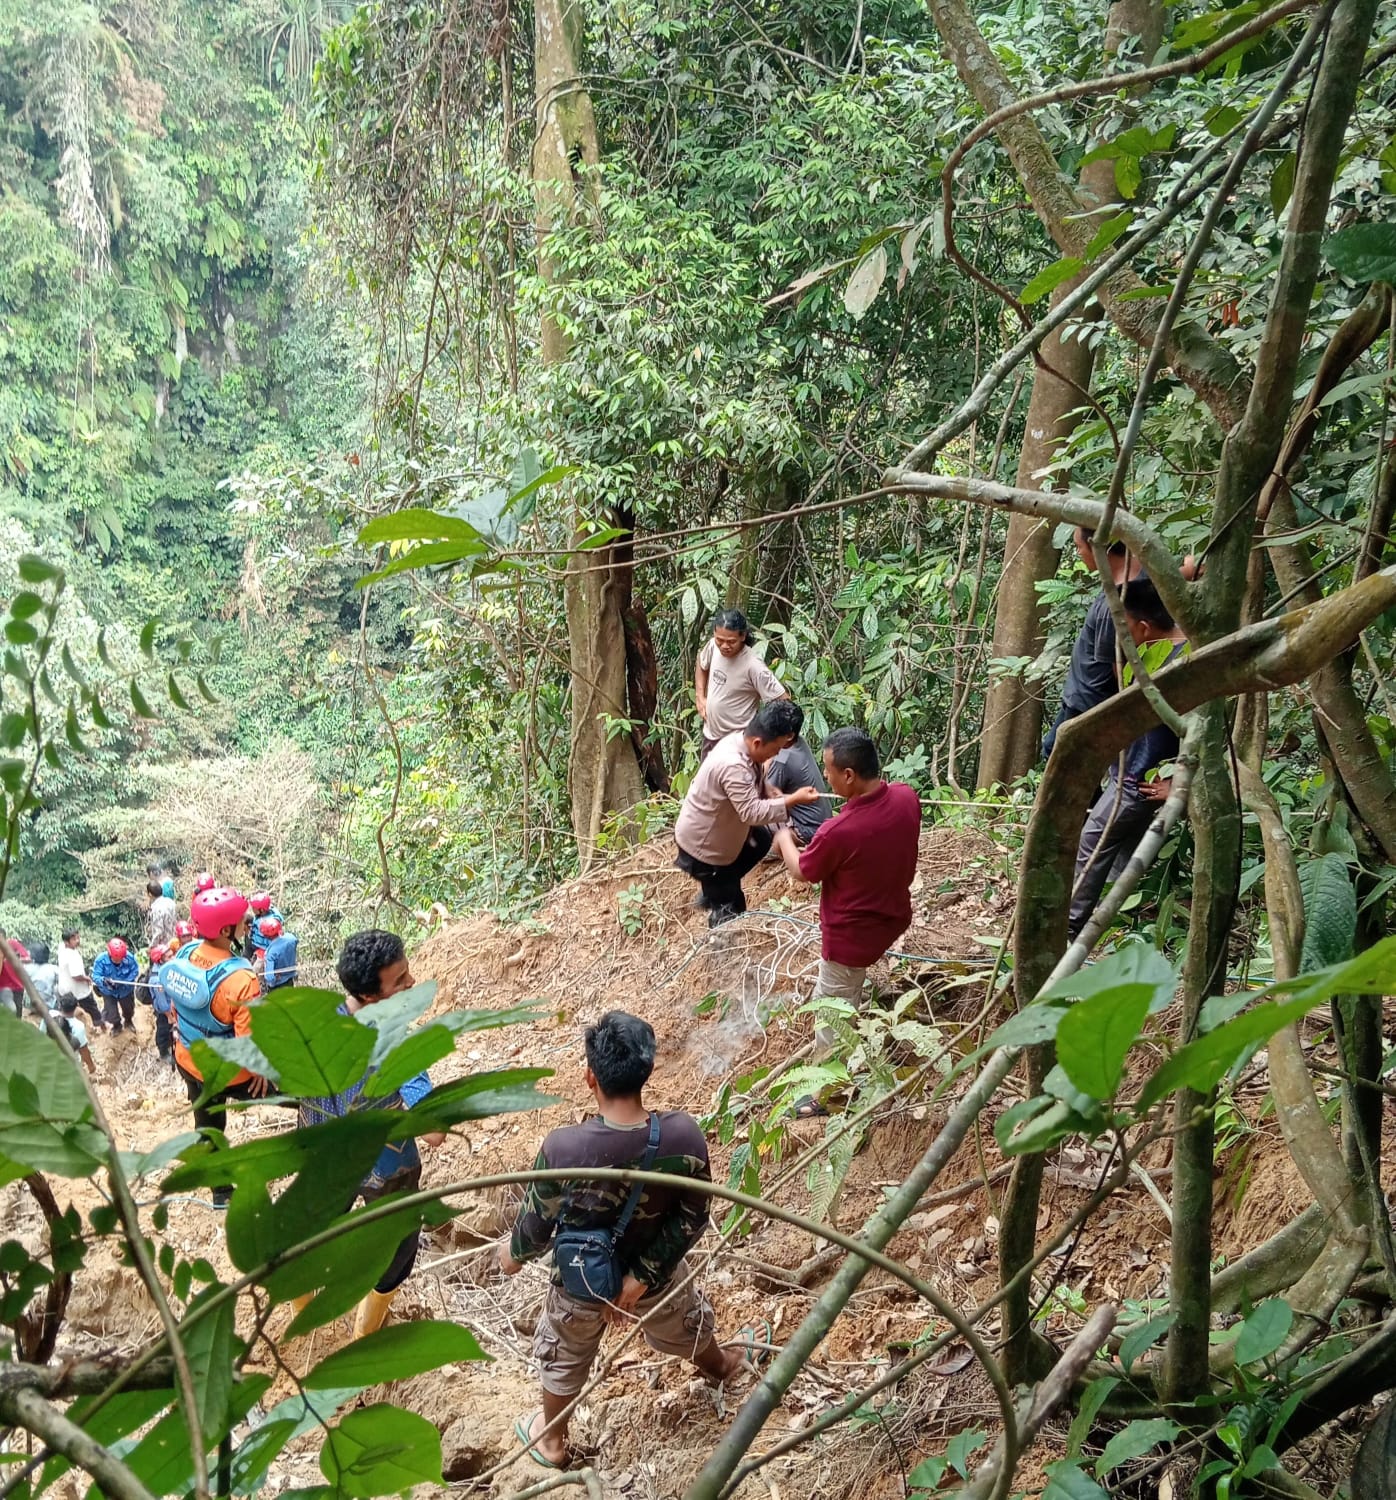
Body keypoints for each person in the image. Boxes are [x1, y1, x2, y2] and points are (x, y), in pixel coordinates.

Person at [498, 1011, 750, 1469]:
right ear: (646, 1072)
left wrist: (510, 1256)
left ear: (589, 1076)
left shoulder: (564, 1149)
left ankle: (551, 1442)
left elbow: (536, 1229)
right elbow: (693, 1217)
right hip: (658, 1282)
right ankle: (724, 1368)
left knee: (565, 1353)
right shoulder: (683, 1136)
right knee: (684, 1323)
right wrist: (640, 1278)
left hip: (579, 1287)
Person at [296, 930, 445, 1336]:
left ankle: (301, 1308)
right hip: (385, 1164)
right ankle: (367, 1329)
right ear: (372, 996)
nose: (411, 983)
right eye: (400, 980)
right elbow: (433, 1134)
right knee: (396, 1247)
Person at [1068, 577, 1188, 938]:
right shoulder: (1180, 647)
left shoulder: (1179, 662)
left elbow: (1208, 731)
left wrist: (1180, 783)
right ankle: (1123, 926)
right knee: (1122, 855)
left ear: (1144, 627)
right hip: (1131, 774)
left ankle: (1067, 930)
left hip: (1140, 782)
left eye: (1126, 629)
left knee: (1091, 844)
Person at [162, 886, 269, 1208]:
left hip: (187, 1058)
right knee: (305, 1090)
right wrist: (261, 1070)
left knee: (207, 1123)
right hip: (228, 1072)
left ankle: (221, 1192)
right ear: (226, 931)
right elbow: (247, 1041)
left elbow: (175, 1004)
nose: (246, 923)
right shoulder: (241, 979)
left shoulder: (185, 953)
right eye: (241, 921)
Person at [674, 700, 822, 926]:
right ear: (758, 742)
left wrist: (768, 790)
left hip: (715, 834)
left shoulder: (739, 741)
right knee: (732, 908)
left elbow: (752, 780)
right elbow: (752, 813)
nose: (776, 754)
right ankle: (721, 943)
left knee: (761, 841)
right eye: (774, 750)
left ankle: (717, 889)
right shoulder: (733, 765)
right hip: (704, 848)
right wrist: (793, 800)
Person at [1042, 529, 1144, 760]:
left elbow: (1120, 669)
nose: (1078, 552)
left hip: (1090, 702)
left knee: (1062, 759)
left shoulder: (1114, 607)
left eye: (1080, 546)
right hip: (1082, 697)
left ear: (1100, 548)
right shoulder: (1138, 575)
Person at [694, 608, 788, 760]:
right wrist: (700, 697)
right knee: (707, 782)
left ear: (743, 636)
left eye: (731, 642)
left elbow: (783, 701)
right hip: (711, 737)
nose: (724, 646)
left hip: (738, 744)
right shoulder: (712, 646)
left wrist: (766, 736)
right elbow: (701, 663)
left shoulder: (753, 666)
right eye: (720, 640)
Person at [764, 706, 831, 847]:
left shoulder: (783, 758)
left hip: (807, 829)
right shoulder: (799, 742)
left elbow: (766, 799)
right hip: (822, 824)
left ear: (789, 736)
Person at [57, 929, 103, 1033]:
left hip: (65, 991)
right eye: (74, 939)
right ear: (66, 942)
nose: (77, 940)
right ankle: (101, 1026)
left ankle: (71, 1031)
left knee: (69, 1012)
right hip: (78, 991)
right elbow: (76, 976)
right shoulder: (72, 955)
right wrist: (87, 978)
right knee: (92, 1009)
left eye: (78, 937)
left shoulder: (62, 950)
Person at [92, 938, 140, 1034]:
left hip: (125, 990)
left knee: (128, 1008)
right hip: (108, 991)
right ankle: (116, 1025)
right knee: (111, 1012)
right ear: (110, 954)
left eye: (121, 958)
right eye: (116, 959)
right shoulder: (100, 960)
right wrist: (104, 981)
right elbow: (95, 975)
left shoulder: (129, 958)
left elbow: (135, 971)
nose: (119, 961)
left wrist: (124, 982)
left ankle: (128, 1021)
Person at [142, 944, 176, 1066]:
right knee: (164, 1030)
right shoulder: (156, 980)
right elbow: (162, 1004)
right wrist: (169, 1016)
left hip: (171, 1004)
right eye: (169, 957)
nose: (173, 958)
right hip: (164, 1011)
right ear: (160, 960)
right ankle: (163, 1053)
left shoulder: (166, 968)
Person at [46, 996, 97, 1077]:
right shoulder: (77, 1028)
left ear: (60, 1006)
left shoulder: (49, 1014)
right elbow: (83, 1050)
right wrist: (91, 1066)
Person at [255, 917, 299, 992]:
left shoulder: (270, 953)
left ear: (266, 936)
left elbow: (270, 978)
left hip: (278, 986)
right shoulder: (291, 938)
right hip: (290, 980)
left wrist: (273, 980)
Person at [0, 929, 32, 1017]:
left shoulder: (13, 944)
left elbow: (28, 959)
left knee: (17, 1014)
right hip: (3, 987)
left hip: (17, 986)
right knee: (11, 1009)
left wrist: (13, 958)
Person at [146, 879, 177, 950]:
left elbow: (158, 932)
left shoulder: (156, 909)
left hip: (164, 948)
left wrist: (151, 947)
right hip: (175, 942)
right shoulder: (171, 902)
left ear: (150, 894)